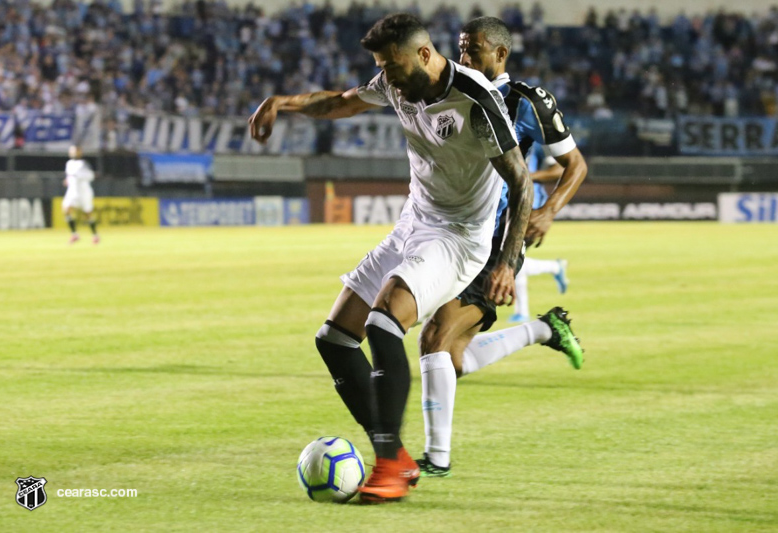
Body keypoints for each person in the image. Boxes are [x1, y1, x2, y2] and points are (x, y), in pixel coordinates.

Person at [249, 13, 533, 503]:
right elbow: (340, 102)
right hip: (413, 224)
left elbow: (521, 183)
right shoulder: (396, 80)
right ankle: (397, 455)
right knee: (335, 339)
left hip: (461, 237)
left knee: (384, 323)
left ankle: (387, 467)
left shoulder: (475, 100)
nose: (388, 78)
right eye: (382, 67)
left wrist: (507, 261)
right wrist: (282, 103)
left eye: (393, 66)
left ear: (424, 54)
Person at [415, 16, 588, 477]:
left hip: (495, 243)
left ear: (500, 55)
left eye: (473, 50)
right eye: (460, 48)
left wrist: (548, 211)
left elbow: (575, 165)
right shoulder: (453, 93)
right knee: (452, 357)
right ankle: (544, 329)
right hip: (454, 234)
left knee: (434, 339)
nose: (464, 57)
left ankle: (436, 460)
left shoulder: (527, 102)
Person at [510, 145, 570, 323]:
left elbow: (559, 169)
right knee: (511, 257)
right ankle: (554, 267)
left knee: (513, 257)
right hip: (509, 203)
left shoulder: (536, 139)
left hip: (532, 203)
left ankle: (522, 311)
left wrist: (528, 177)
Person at [62, 145, 99, 244]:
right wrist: (67, 180)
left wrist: (79, 176)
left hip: (84, 192)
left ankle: (95, 235)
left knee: (87, 213)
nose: (73, 153)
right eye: (72, 151)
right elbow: (70, 176)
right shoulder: (69, 163)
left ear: (80, 152)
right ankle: (74, 234)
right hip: (72, 191)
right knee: (66, 210)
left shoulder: (83, 164)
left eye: (75, 151)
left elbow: (91, 176)